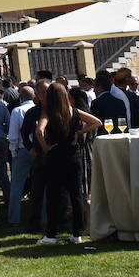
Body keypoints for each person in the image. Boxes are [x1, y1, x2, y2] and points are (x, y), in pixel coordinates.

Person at [34, 82, 101, 245]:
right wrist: (79, 132)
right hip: (74, 156)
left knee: (53, 195)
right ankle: (77, 233)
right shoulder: (74, 111)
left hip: (55, 157)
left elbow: (39, 131)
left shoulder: (48, 112)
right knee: (76, 195)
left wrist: (45, 147)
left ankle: (51, 234)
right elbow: (97, 122)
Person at [6, 84, 36, 225]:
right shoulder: (37, 109)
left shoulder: (17, 111)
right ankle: (43, 216)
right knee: (41, 182)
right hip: (37, 148)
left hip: (22, 149)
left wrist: (13, 151)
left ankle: (14, 218)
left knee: (17, 185)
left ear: (20, 97)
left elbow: (13, 134)